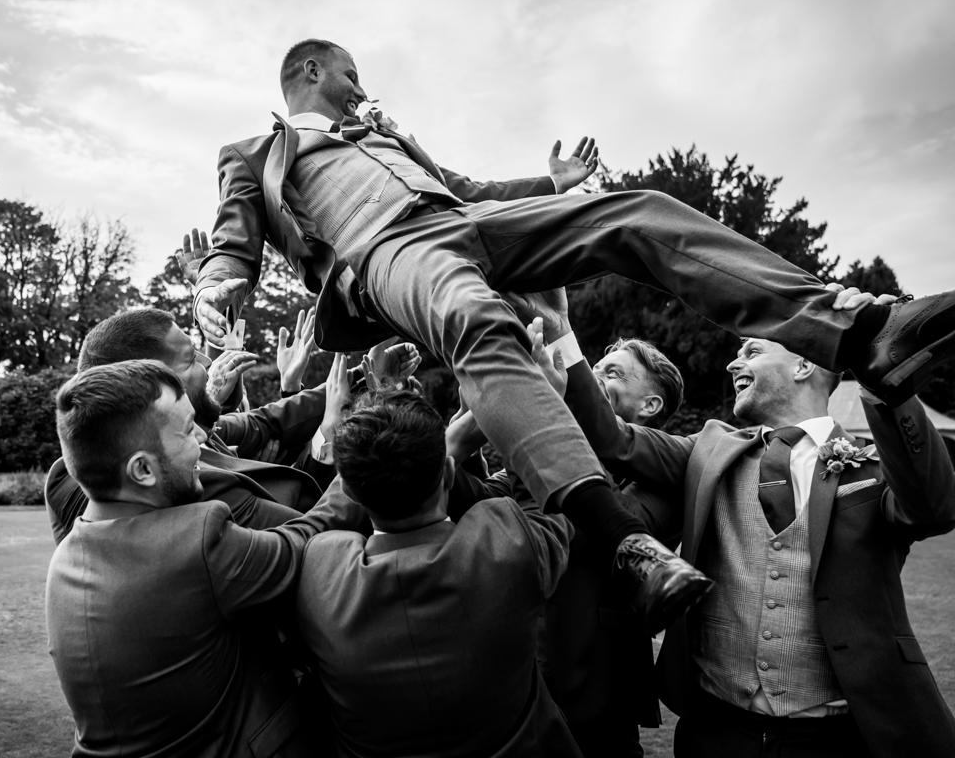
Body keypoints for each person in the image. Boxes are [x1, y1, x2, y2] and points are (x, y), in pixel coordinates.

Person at [192, 37, 955, 622]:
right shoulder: (257, 152)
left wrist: (549, 188)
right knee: (476, 320)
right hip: (382, 253)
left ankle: (860, 334)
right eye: (353, 75)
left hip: (469, 222)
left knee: (637, 212)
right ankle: (620, 539)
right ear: (317, 72)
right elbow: (234, 232)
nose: (364, 88)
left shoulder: (389, 136)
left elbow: (465, 189)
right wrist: (221, 277)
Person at [559, 289, 955, 757]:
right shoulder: (705, 450)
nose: (732, 363)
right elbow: (615, 439)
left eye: (753, 349)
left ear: (804, 364)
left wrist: (882, 371)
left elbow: (934, 509)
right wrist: (560, 331)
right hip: (713, 732)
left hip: (837, 739)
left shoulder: (875, 463)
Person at [46, 358, 365, 758]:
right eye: (186, 432)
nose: (202, 438)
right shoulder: (195, 541)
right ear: (142, 470)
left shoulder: (65, 559)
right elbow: (300, 544)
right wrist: (358, 463)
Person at [295, 390, 582, 757]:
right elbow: (549, 497)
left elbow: (315, 523)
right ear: (448, 471)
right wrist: (527, 402)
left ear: (347, 489)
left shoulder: (318, 569)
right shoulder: (508, 545)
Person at [44, 306, 344, 544]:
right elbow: (308, 531)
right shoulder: (189, 483)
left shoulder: (191, 436)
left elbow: (265, 421)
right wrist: (330, 435)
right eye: (191, 360)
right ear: (154, 383)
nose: (207, 364)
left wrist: (345, 381)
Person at [545, 337, 686, 757]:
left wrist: (558, 418)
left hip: (601, 687)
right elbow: (480, 499)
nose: (593, 377)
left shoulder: (669, 477)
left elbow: (614, 526)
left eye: (612, 373)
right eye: (596, 367)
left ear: (650, 406)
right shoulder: (543, 446)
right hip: (520, 676)